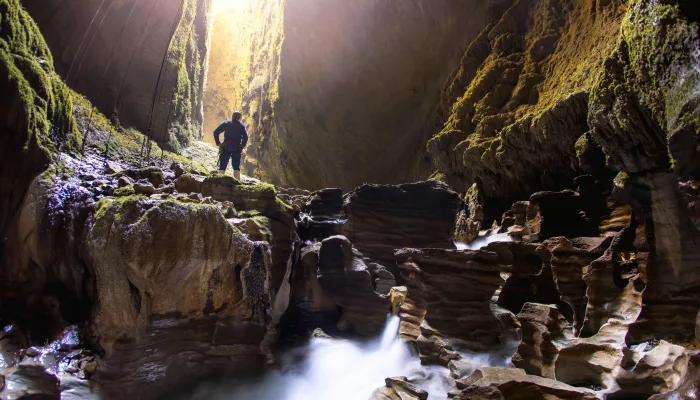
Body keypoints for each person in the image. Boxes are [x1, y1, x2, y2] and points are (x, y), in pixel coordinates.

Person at [214, 111, 248, 181]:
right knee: (236, 166)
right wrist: (241, 147)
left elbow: (215, 132)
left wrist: (218, 143)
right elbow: (245, 137)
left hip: (226, 146)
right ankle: (238, 183)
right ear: (239, 118)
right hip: (236, 148)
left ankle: (219, 181)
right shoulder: (241, 126)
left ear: (232, 116)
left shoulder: (227, 123)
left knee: (222, 165)